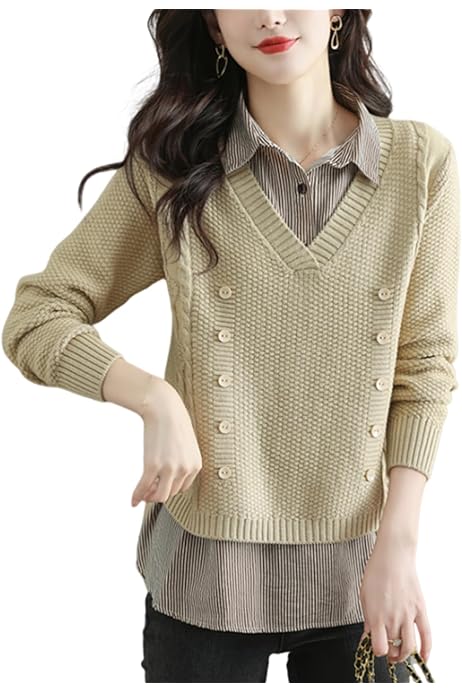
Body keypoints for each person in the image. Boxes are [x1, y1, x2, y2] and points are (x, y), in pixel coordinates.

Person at [2, 9, 458, 683]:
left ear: (338, 10)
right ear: (214, 26)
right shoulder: (173, 168)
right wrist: (152, 397)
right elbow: (37, 315)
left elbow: (425, 368)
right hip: (205, 583)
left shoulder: (420, 166)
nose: (269, 13)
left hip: (364, 579)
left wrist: (401, 544)